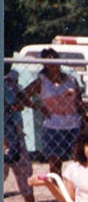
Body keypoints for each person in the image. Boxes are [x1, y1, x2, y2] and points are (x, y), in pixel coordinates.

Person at [23, 48, 83, 180]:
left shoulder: (71, 80)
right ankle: (58, 194)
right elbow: (22, 96)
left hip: (73, 124)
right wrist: (38, 108)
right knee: (55, 163)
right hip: (53, 126)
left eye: (55, 59)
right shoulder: (41, 82)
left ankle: (76, 190)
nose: (53, 63)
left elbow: (79, 102)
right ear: (44, 64)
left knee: (79, 161)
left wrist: (84, 119)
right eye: (49, 61)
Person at [4, 70, 51, 202]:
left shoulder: (12, 88)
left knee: (23, 169)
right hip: (8, 129)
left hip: (14, 129)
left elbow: (21, 102)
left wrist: (33, 106)